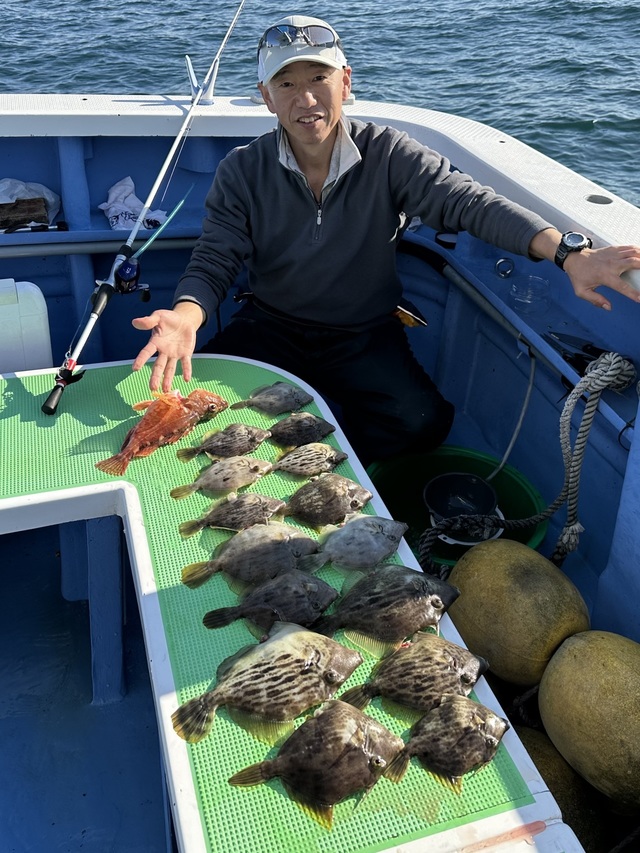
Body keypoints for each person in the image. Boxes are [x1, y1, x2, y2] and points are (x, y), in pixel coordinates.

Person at [132, 14, 640, 465]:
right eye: (286, 83)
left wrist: (568, 253)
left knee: (423, 424)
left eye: (319, 78)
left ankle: (309, 462)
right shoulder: (242, 169)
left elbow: (469, 202)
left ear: (345, 82)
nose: (305, 98)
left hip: (362, 331)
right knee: (186, 409)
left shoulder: (390, 154)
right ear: (267, 96)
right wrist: (187, 315)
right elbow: (216, 255)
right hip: (271, 324)